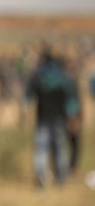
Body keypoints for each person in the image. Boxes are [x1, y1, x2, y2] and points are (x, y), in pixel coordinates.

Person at [25, 43, 79, 188]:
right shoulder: (63, 78)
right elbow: (71, 102)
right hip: (59, 119)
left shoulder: (38, 77)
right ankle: (60, 179)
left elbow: (28, 98)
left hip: (43, 118)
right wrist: (72, 118)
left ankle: (41, 179)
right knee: (60, 148)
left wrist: (25, 114)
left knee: (42, 148)